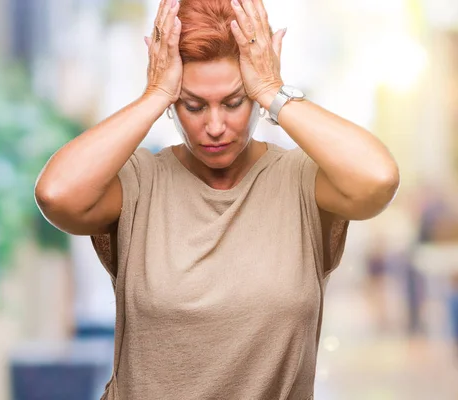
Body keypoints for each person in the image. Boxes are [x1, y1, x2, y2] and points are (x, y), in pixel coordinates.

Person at [34, 0, 400, 398]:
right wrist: (154, 94)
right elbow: (56, 195)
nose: (214, 126)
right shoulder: (138, 182)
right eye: (192, 105)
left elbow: (378, 179)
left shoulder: (302, 182)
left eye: (234, 102)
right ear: (174, 102)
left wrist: (273, 91)